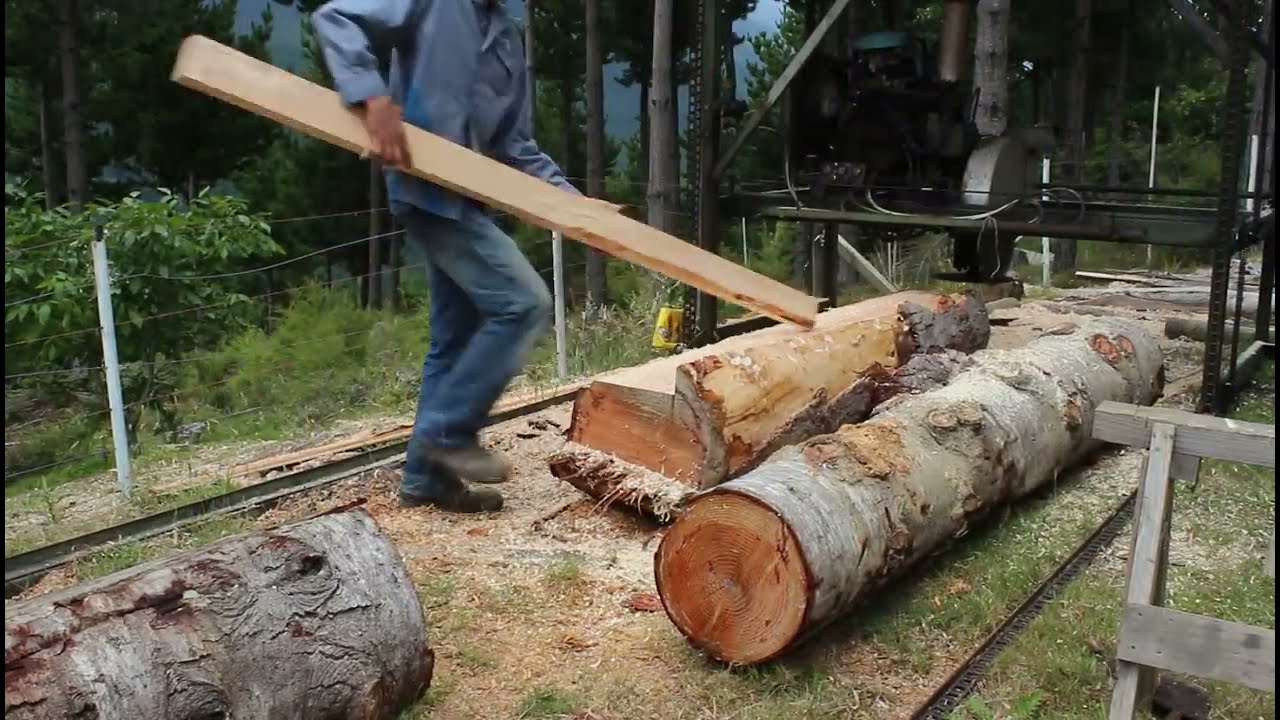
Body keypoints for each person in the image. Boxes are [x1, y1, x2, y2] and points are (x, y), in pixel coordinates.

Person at [313, 0, 578, 513]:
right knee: (523, 303)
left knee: (452, 341)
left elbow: (516, 145)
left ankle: (425, 480)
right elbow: (335, 17)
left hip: (470, 200)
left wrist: (577, 205)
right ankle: (450, 433)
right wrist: (371, 97)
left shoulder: (506, 40)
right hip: (425, 192)